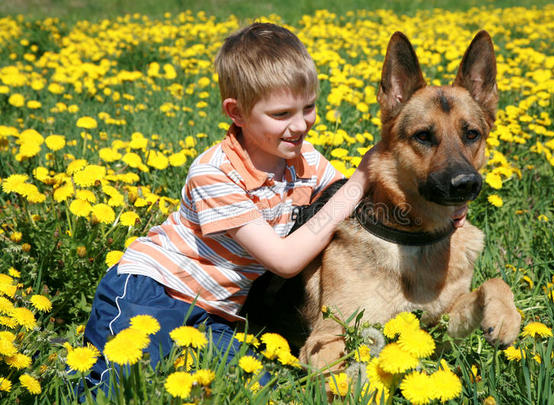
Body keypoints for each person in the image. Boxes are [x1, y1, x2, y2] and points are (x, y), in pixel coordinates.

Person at [80, 22, 375, 393]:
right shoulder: (214, 174)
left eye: (309, 107)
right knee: (125, 384)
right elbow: (284, 259)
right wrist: (357, 183)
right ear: (236, 112)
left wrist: (445, 211)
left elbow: (361, 205)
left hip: (217, 316)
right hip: (153, 292)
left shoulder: (307, 162)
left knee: (254, 387)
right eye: (282, 114)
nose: (301, 125)